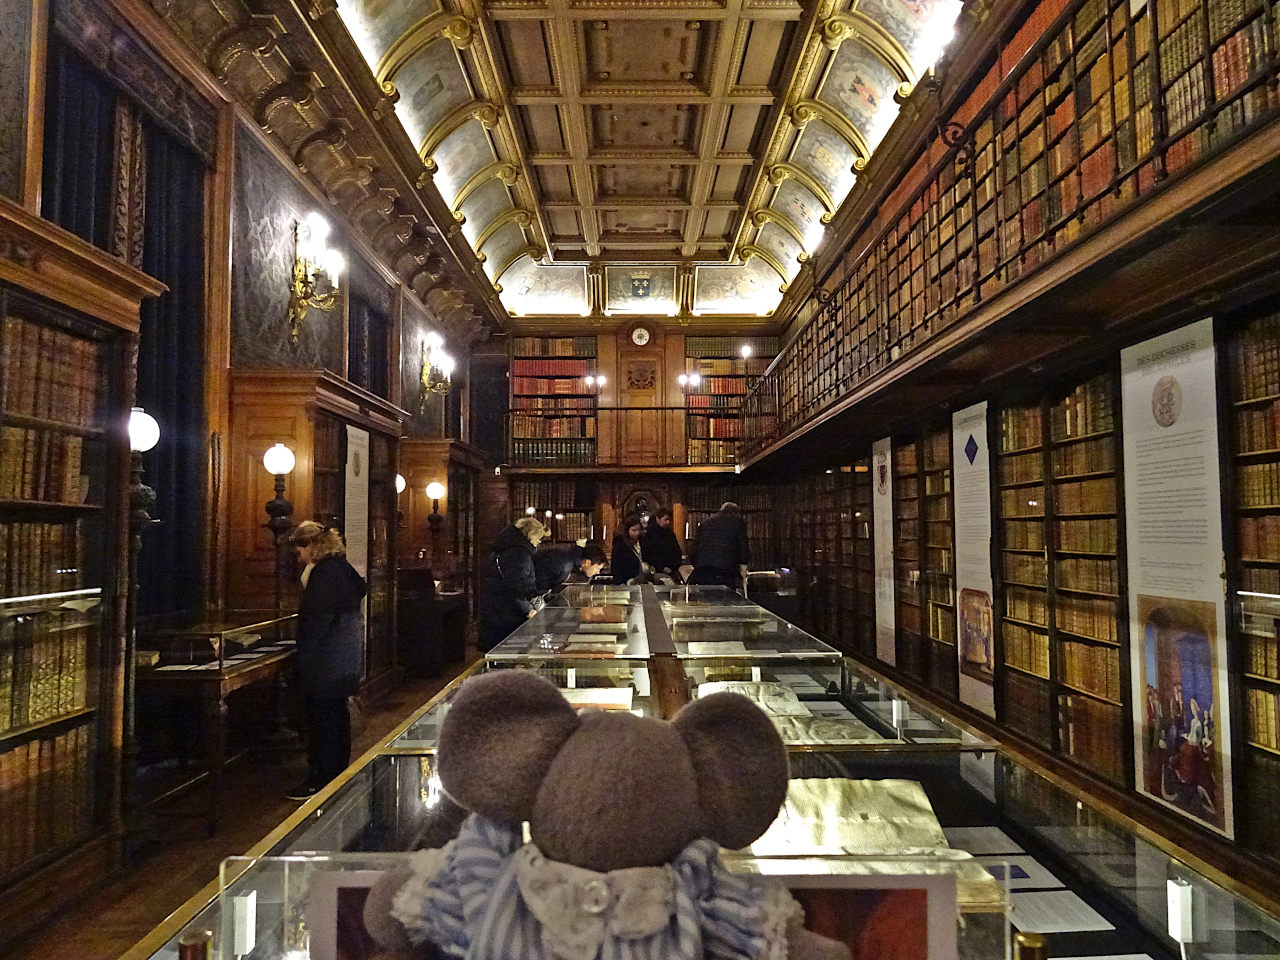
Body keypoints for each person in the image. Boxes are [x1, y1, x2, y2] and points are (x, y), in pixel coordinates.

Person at [286, 520, 367, 800]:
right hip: (344, 657)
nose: (299, 559)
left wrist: (303, 659)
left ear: (311, 547)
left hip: (326, 660)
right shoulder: (341, 568)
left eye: (299, 551)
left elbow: (317, 623)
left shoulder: (323, 574)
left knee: (322, 721)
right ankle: (337, 775)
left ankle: (320, 779)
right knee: (336, 719)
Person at [477, 517, 548, 652]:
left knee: (497, 653)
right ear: (531, 536)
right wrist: (529, 610)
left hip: (495, 612)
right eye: (538, 539)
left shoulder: (504, 549)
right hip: (508, 616)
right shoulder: (519, 554)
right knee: (509, 653)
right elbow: (516, 588)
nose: (538, 544)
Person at [687, 501, 751, 590]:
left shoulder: (705, 523)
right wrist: (742, 568)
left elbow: (693, 549)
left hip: (703, 570)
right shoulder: (737, 523)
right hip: (726, 570)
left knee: (706, 599)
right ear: (736, 512)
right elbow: (743, 547)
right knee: (725, 600)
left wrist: (699, 565)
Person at [534, 541, 607, 594]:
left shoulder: (570, 556)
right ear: (587, 562)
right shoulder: (566, 564)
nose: (597, 572)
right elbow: (540, 583)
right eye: (597, 568)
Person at [641, 506, 684, 583]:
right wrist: (661, 567)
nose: (668, 522)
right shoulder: (649, 534)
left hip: (671, 570)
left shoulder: (670, 534)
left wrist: (673, 566)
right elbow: (647, 554)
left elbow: (677, 552)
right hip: (655, 572)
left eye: (669, 520)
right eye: (666, 519)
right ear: (658, 519)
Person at [610, 514, 648, 584]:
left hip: (642, 581)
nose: (637, 533)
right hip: (627, 582)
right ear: (627, 530)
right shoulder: (620, 545)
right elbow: (615, 568)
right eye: (634, 530)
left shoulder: (644, 542)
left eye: (639, 530)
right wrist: (621, 584)